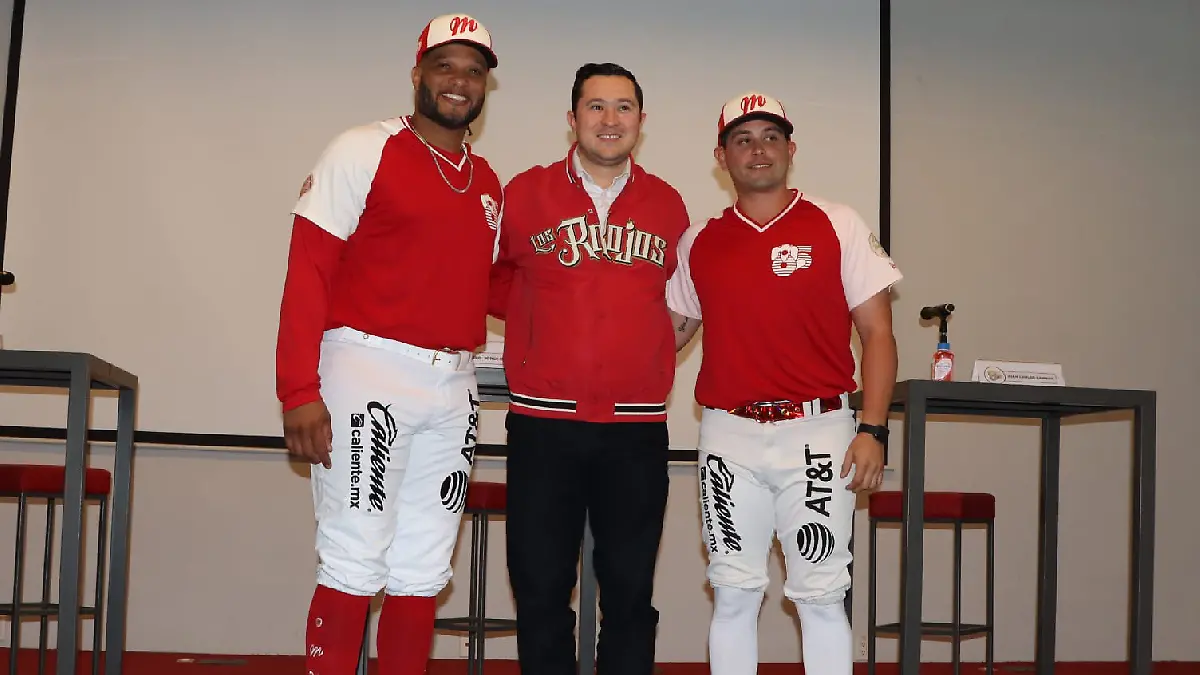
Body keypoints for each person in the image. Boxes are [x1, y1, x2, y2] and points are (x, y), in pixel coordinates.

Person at [274, 13, 503, 675]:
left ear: (486, 87)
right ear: (417, 74)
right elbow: (308, 271)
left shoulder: (487, 182)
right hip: (367, 371)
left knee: (424, 566)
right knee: (355, 555)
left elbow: (488, 289)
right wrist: (298, 390)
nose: (458, 81)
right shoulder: (362, 148)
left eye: (473, 70)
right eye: (444, 65)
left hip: (454, 385)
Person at [666, 91, 902, 675]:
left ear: (791, 150)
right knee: (733, 593)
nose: (758, 149)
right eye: (742, 139)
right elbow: (668, 336)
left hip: (819, 434)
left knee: (821, 596)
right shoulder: (699, 242)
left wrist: (873, 429)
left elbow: (878, 333)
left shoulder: (838, 223)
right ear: (721, 157)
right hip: (728, 438)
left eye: (771, 137)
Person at [487, 62, 692, 675]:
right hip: (543, 425)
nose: (610, 119)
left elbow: (684, 303)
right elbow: (490, 283)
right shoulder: (524, 194)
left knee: (629, 593)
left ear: (641, 121)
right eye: (596, 106)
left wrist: (645, 350)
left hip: (635, 429)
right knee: (541, 590)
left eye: (623, 107)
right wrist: (543, 336)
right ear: (572, 118)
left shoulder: (668, 204)